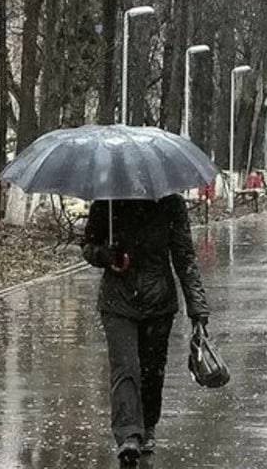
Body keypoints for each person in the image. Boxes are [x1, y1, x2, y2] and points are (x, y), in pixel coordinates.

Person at [82, 194, 210, 465]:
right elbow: (88, 246)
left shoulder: (171, 204)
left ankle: (148, 426)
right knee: (125, 368)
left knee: (152, 370)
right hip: (118, 302)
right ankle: (128, 434)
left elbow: (184, 257)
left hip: (158, 302)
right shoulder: (107, 202)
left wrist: (198, 309)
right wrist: (106, 255)